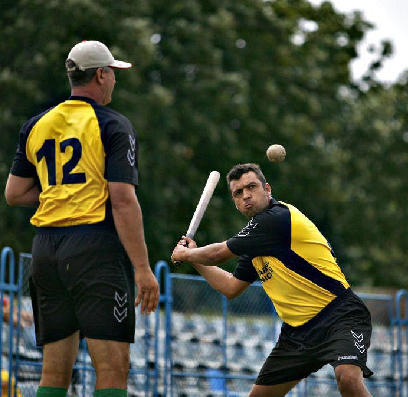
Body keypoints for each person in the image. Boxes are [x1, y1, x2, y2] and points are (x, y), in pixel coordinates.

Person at [4, 40, 160, 397]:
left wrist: (61, 195)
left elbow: (14, 194)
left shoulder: (36, 124)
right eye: (114, 75)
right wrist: (142, 268)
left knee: (54, 372)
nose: (115, 82)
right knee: (112, 369)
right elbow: (122, 200)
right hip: (95, 250)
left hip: (45, 251)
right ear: (102, 75)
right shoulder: (113, 125)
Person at [171, 163, 373, 397]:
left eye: (251, 187)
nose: (246, 195)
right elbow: (231, 287)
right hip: (297, 333)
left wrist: (186, 254)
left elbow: (218, 253)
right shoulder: (255, 243)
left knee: (348, 378)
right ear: (235, 202)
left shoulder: (276, 218)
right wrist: (195, 259)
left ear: (267, 189)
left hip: (340, 316)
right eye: (238, 193)